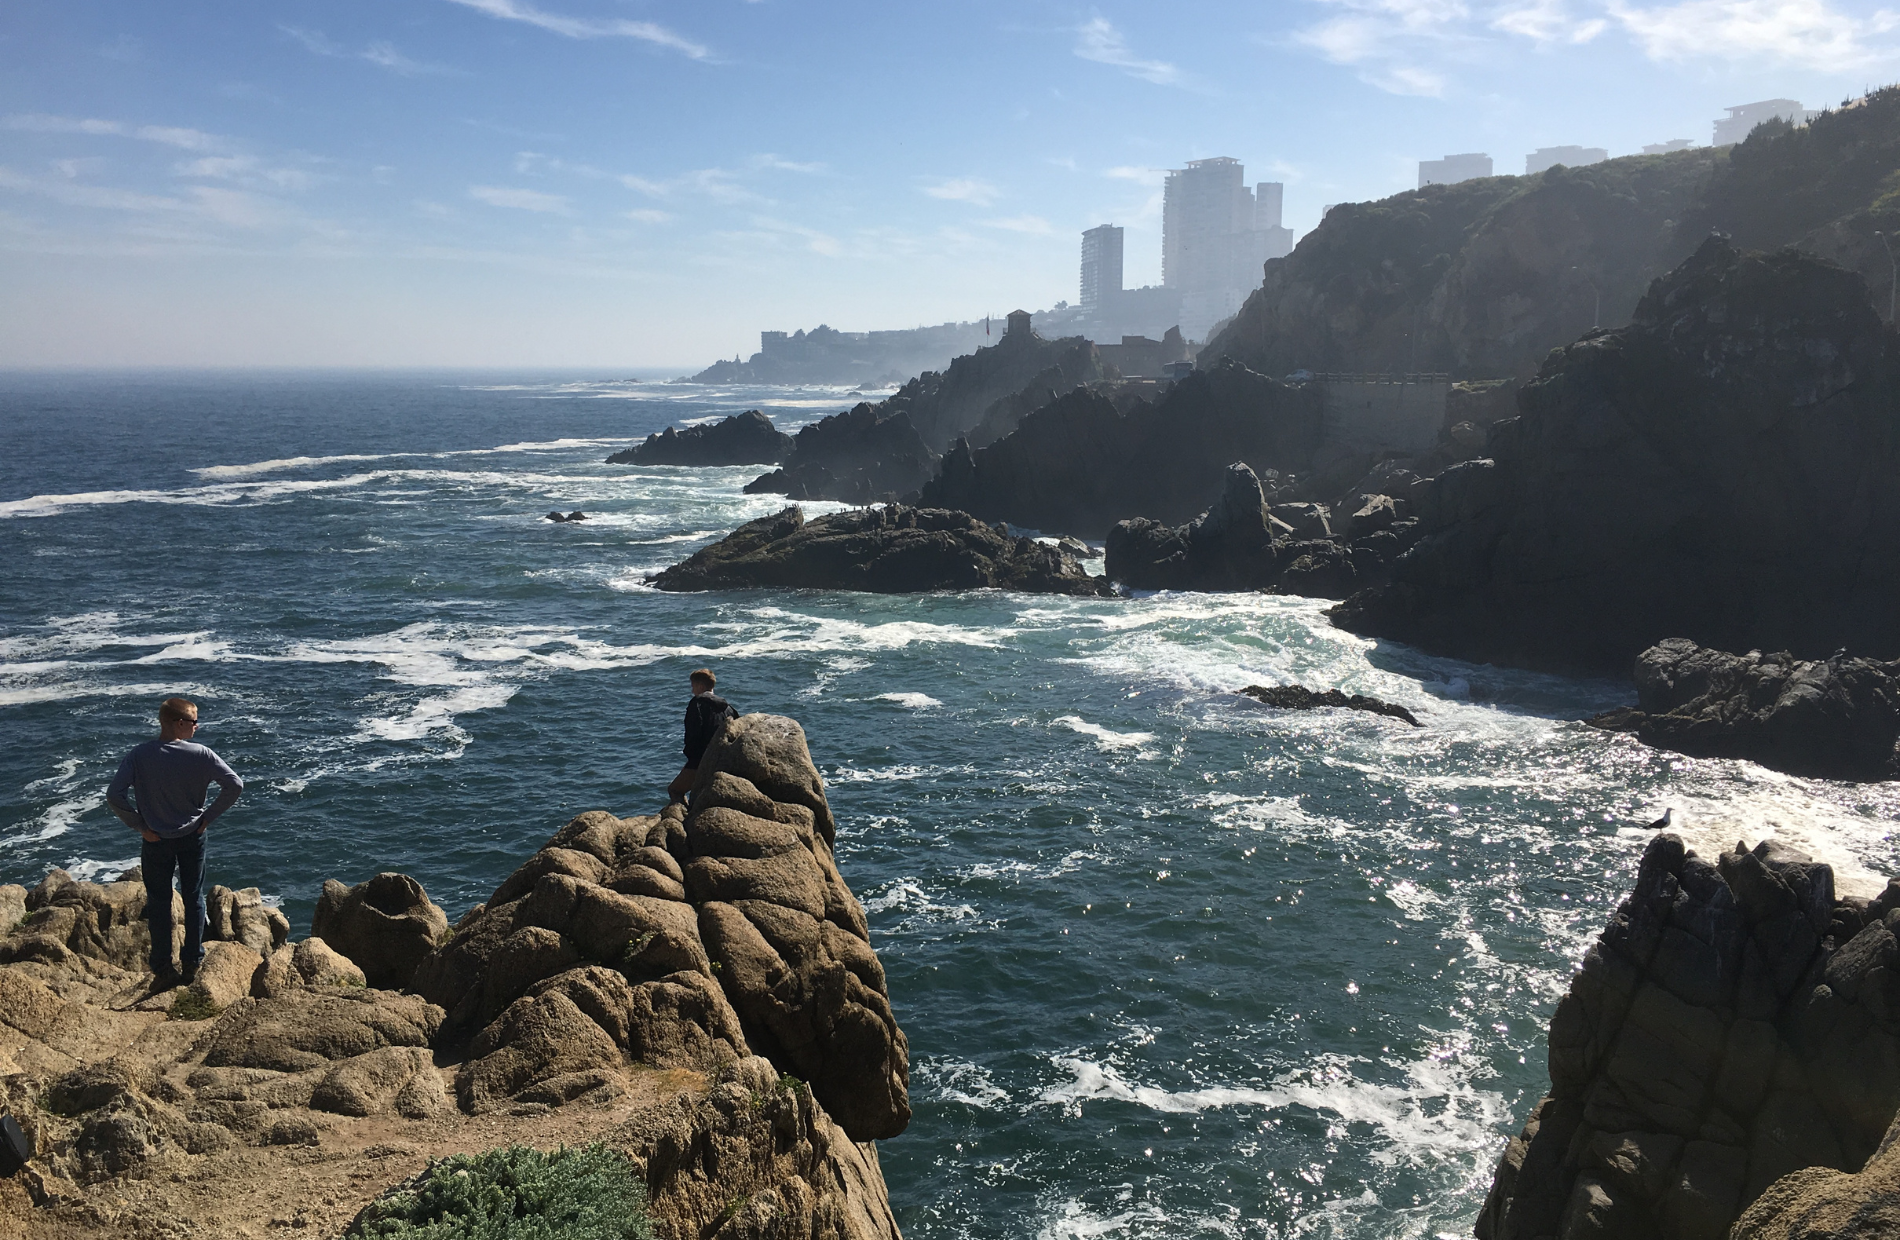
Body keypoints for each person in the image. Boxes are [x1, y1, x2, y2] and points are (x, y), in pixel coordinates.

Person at [105, 697, 243, 982]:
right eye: (194, 721)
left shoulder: (139, 755)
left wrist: (139, 825)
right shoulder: (201, 754)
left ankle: (163, 968)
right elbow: (234, 784)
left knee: (158, 903)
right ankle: (193, 961)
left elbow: (114, 795)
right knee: (194, 897)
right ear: (179, 724)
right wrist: (209, 817)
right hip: (193, 835)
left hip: (154, 839)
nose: (197, 726)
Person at [667, 669, 736, 803]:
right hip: (724, 759)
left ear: (700, 686)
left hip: (702, 759)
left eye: (693, 686)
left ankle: (683, 819)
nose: (692, 690)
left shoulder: (697, 704)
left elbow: (693, 734)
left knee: (675, 790)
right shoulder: (729, 709)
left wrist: (691, 761)